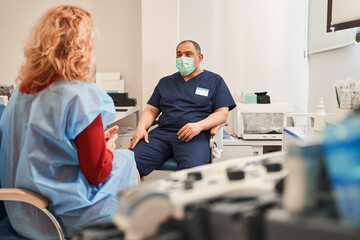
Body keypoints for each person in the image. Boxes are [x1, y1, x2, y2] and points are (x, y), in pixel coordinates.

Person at [0, 5, 139, 239]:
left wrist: (91, 142)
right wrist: (107, 148)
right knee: (127, 159)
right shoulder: (81, 95)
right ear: (83, 47)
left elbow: (39, 149)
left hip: (22, 212)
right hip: (61, 217)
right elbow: (97, 173)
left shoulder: (19, 93)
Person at [129, 40, 236, 177]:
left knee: (193, 173)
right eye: (179, 54)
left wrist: (199, 126)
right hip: (162, 135)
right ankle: (135, 198)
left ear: (200, 57)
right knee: (128, 164)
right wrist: (141, 128)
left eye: (188, 54)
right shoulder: (165, 82)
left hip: (194, 136)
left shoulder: (214, 80)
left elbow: (222, 114)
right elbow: (151, 110)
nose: (182, 58)